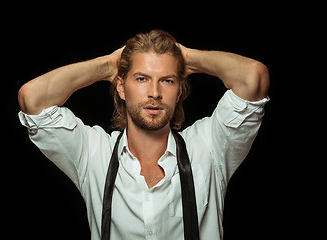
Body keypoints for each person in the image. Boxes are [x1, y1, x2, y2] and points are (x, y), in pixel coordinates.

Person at [18, 30, 269, 240]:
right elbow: (32, 98)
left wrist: (187, 58)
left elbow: (253, 77)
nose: (154, 92)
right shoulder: (94, 154)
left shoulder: (209, 147)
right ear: (121, 87)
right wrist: (107, 65)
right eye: (141, 78)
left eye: (167, 81)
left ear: (179, 91)